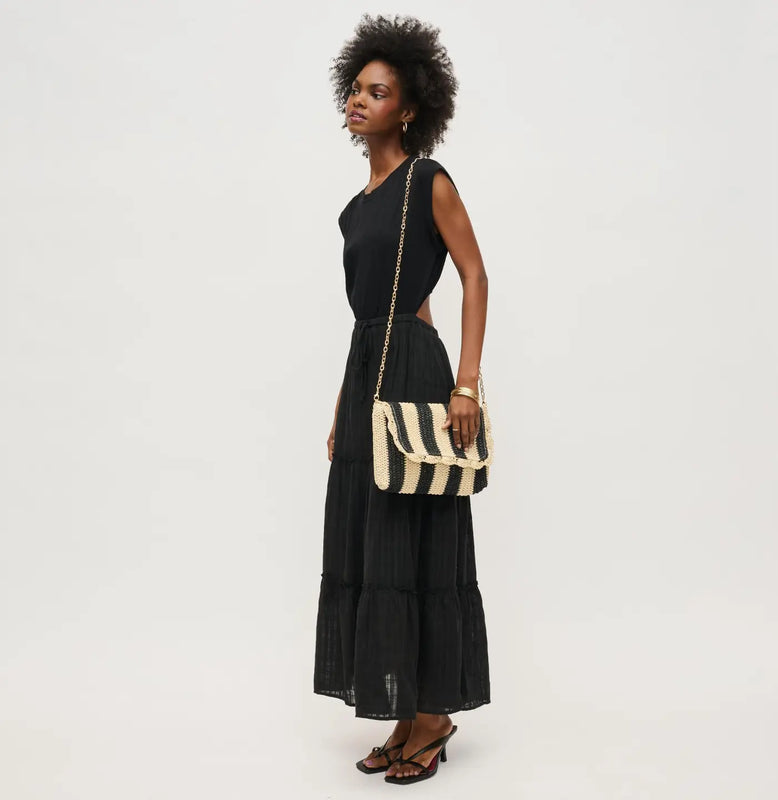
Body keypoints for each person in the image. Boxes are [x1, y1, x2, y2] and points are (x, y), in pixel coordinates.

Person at [313, 13, 491, 785]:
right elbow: (386, 306)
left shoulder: (428, 180)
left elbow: (474, 275)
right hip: (367, 371)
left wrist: (465, 384)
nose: (359, 99)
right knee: (374, 541)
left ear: (410, 107)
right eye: (355, 88)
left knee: (416, 539)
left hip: (418, 371)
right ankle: (407, 710)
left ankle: (433, 715)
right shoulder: (356, 209)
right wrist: (342, 405)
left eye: (377, 91)